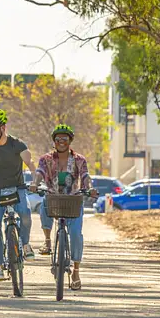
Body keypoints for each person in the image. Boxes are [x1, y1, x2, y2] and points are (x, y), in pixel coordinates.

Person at [0, 108, 38, 282]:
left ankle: (25, 244)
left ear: (3, 127)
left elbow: (31, 165)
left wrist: (35, 181)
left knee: (25, 214)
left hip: (18, 189)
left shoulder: (17, 144)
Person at [33, 123, 98, 290]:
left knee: (76, 234)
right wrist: (34, 184)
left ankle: (76, 270)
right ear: (53, 141)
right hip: (53, 198)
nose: (61, 141)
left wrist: (89, 188)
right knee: (45, 204)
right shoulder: (45, 159)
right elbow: (39, 172)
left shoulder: (79, 160)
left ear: (70, 140)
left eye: (65, 138)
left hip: (73, 200)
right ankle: (47, 240)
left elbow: (85, 176)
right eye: (58, 139)